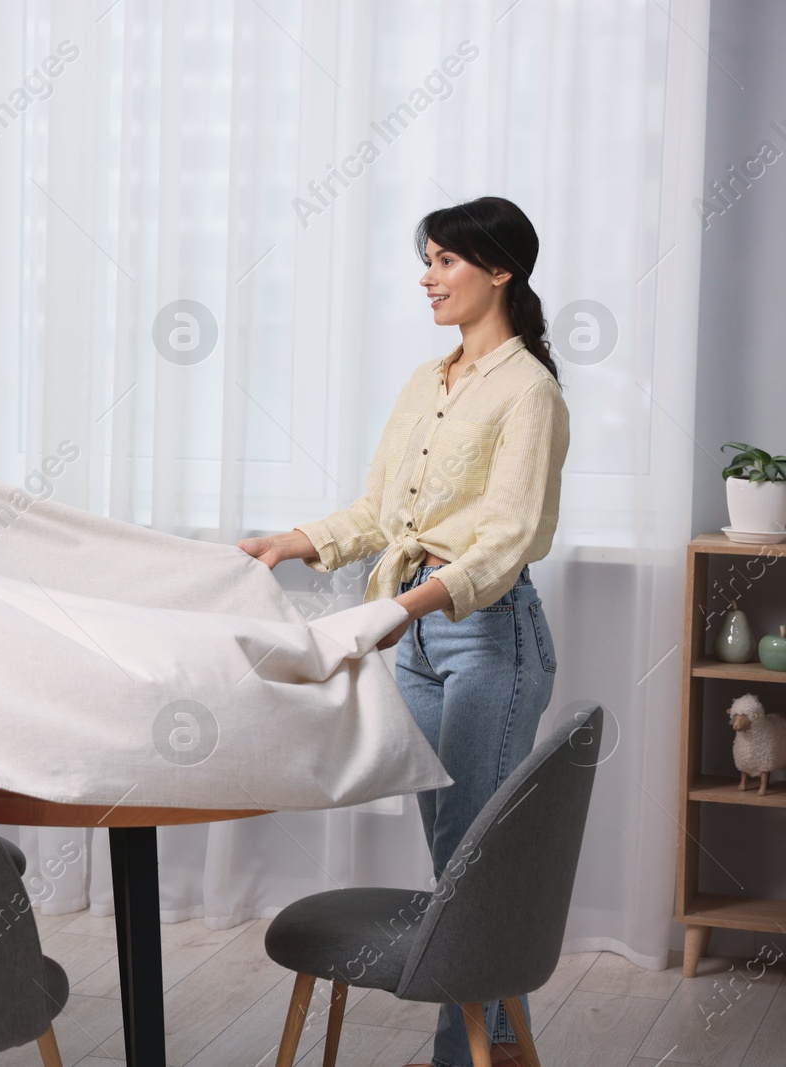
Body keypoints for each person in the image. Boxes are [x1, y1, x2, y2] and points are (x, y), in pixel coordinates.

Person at [238, 196, 568, 1067]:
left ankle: (465, 1055)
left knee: (471, 866)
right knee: (456, 865)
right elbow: (382, 511)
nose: (427, 277)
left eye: (446, 261)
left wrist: (401, 607)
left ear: (500, 271)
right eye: (425, 260)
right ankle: (494, 1044)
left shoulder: (530, 390)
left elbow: (507, 541)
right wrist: (289, 543)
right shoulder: (428, 381)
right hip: (418, 643)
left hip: (489, 636)